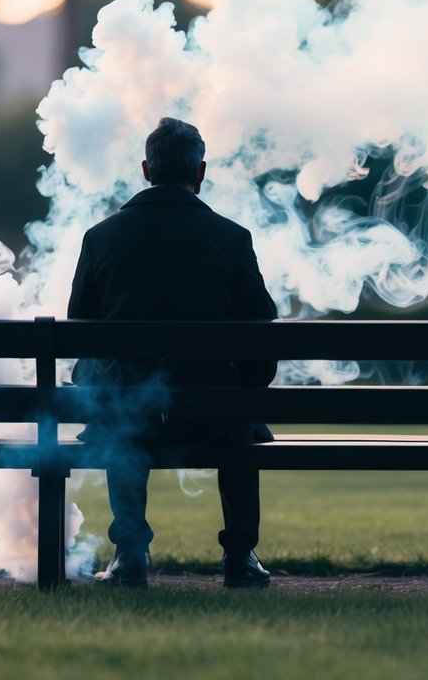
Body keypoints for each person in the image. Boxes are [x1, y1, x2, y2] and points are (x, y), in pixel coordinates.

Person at [67, 117, 277, 588]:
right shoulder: (232, 238)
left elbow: (80, 334)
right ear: (199, 173)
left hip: (131, 414)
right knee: (238, 413)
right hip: (213, 414)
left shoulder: (101, 238)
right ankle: (240, 556)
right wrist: (248, 388)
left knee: (120, 404)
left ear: (146, 169)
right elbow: (263, 335)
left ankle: (131, 551)